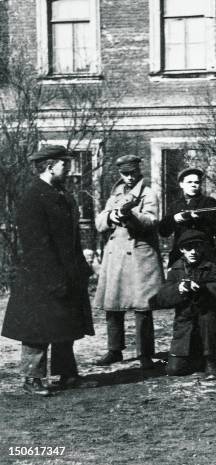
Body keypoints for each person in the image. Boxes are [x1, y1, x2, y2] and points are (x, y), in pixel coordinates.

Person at [2, 145, 97, 396]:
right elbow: (36, 244)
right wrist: (54, 277)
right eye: (64, 164)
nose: (68, 169)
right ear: (49, 166)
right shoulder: (33, 197)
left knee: (66, 324)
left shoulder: (61, 194)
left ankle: (67, 375)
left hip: (67, 271)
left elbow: (72, 236)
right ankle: (32, 377)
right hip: (40, 274)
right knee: (38, 327)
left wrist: (81, 269)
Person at [94, 155, 164, 369]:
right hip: (116, 254)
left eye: (133, 173)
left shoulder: (148, 193)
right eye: (125, 174)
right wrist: (111, 217)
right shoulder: (115, 194)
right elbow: (99, 222)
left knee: (143, 307)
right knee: (112, 304)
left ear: (138, 172)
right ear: (120, 174)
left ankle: (145, 354)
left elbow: (151, 220)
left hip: (140, 254)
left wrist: (130, 215)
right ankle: (114, 350)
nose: (129, 177)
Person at [149, 230, 216, 380]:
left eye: (197, 247)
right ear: (182, 250)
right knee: (173, 369)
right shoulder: (175, 270)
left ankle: (210, 361)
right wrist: (180, 289)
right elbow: (162, 298)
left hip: (207, 321)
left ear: (203, 248)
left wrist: (202, 289)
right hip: (185, 323)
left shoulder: (212, 268)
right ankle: (195, 359)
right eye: (188, 248)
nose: (193, 252)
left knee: (207, 318)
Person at [159, 167, 216, 267]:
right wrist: (175, 219)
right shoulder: (175, 205)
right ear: (181, 184)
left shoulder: (209, 202)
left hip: (205, 255)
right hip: (181, 255)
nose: (193, 185)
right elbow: (163, 231)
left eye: (197, 182)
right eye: (189, 182)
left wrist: (200, 219)